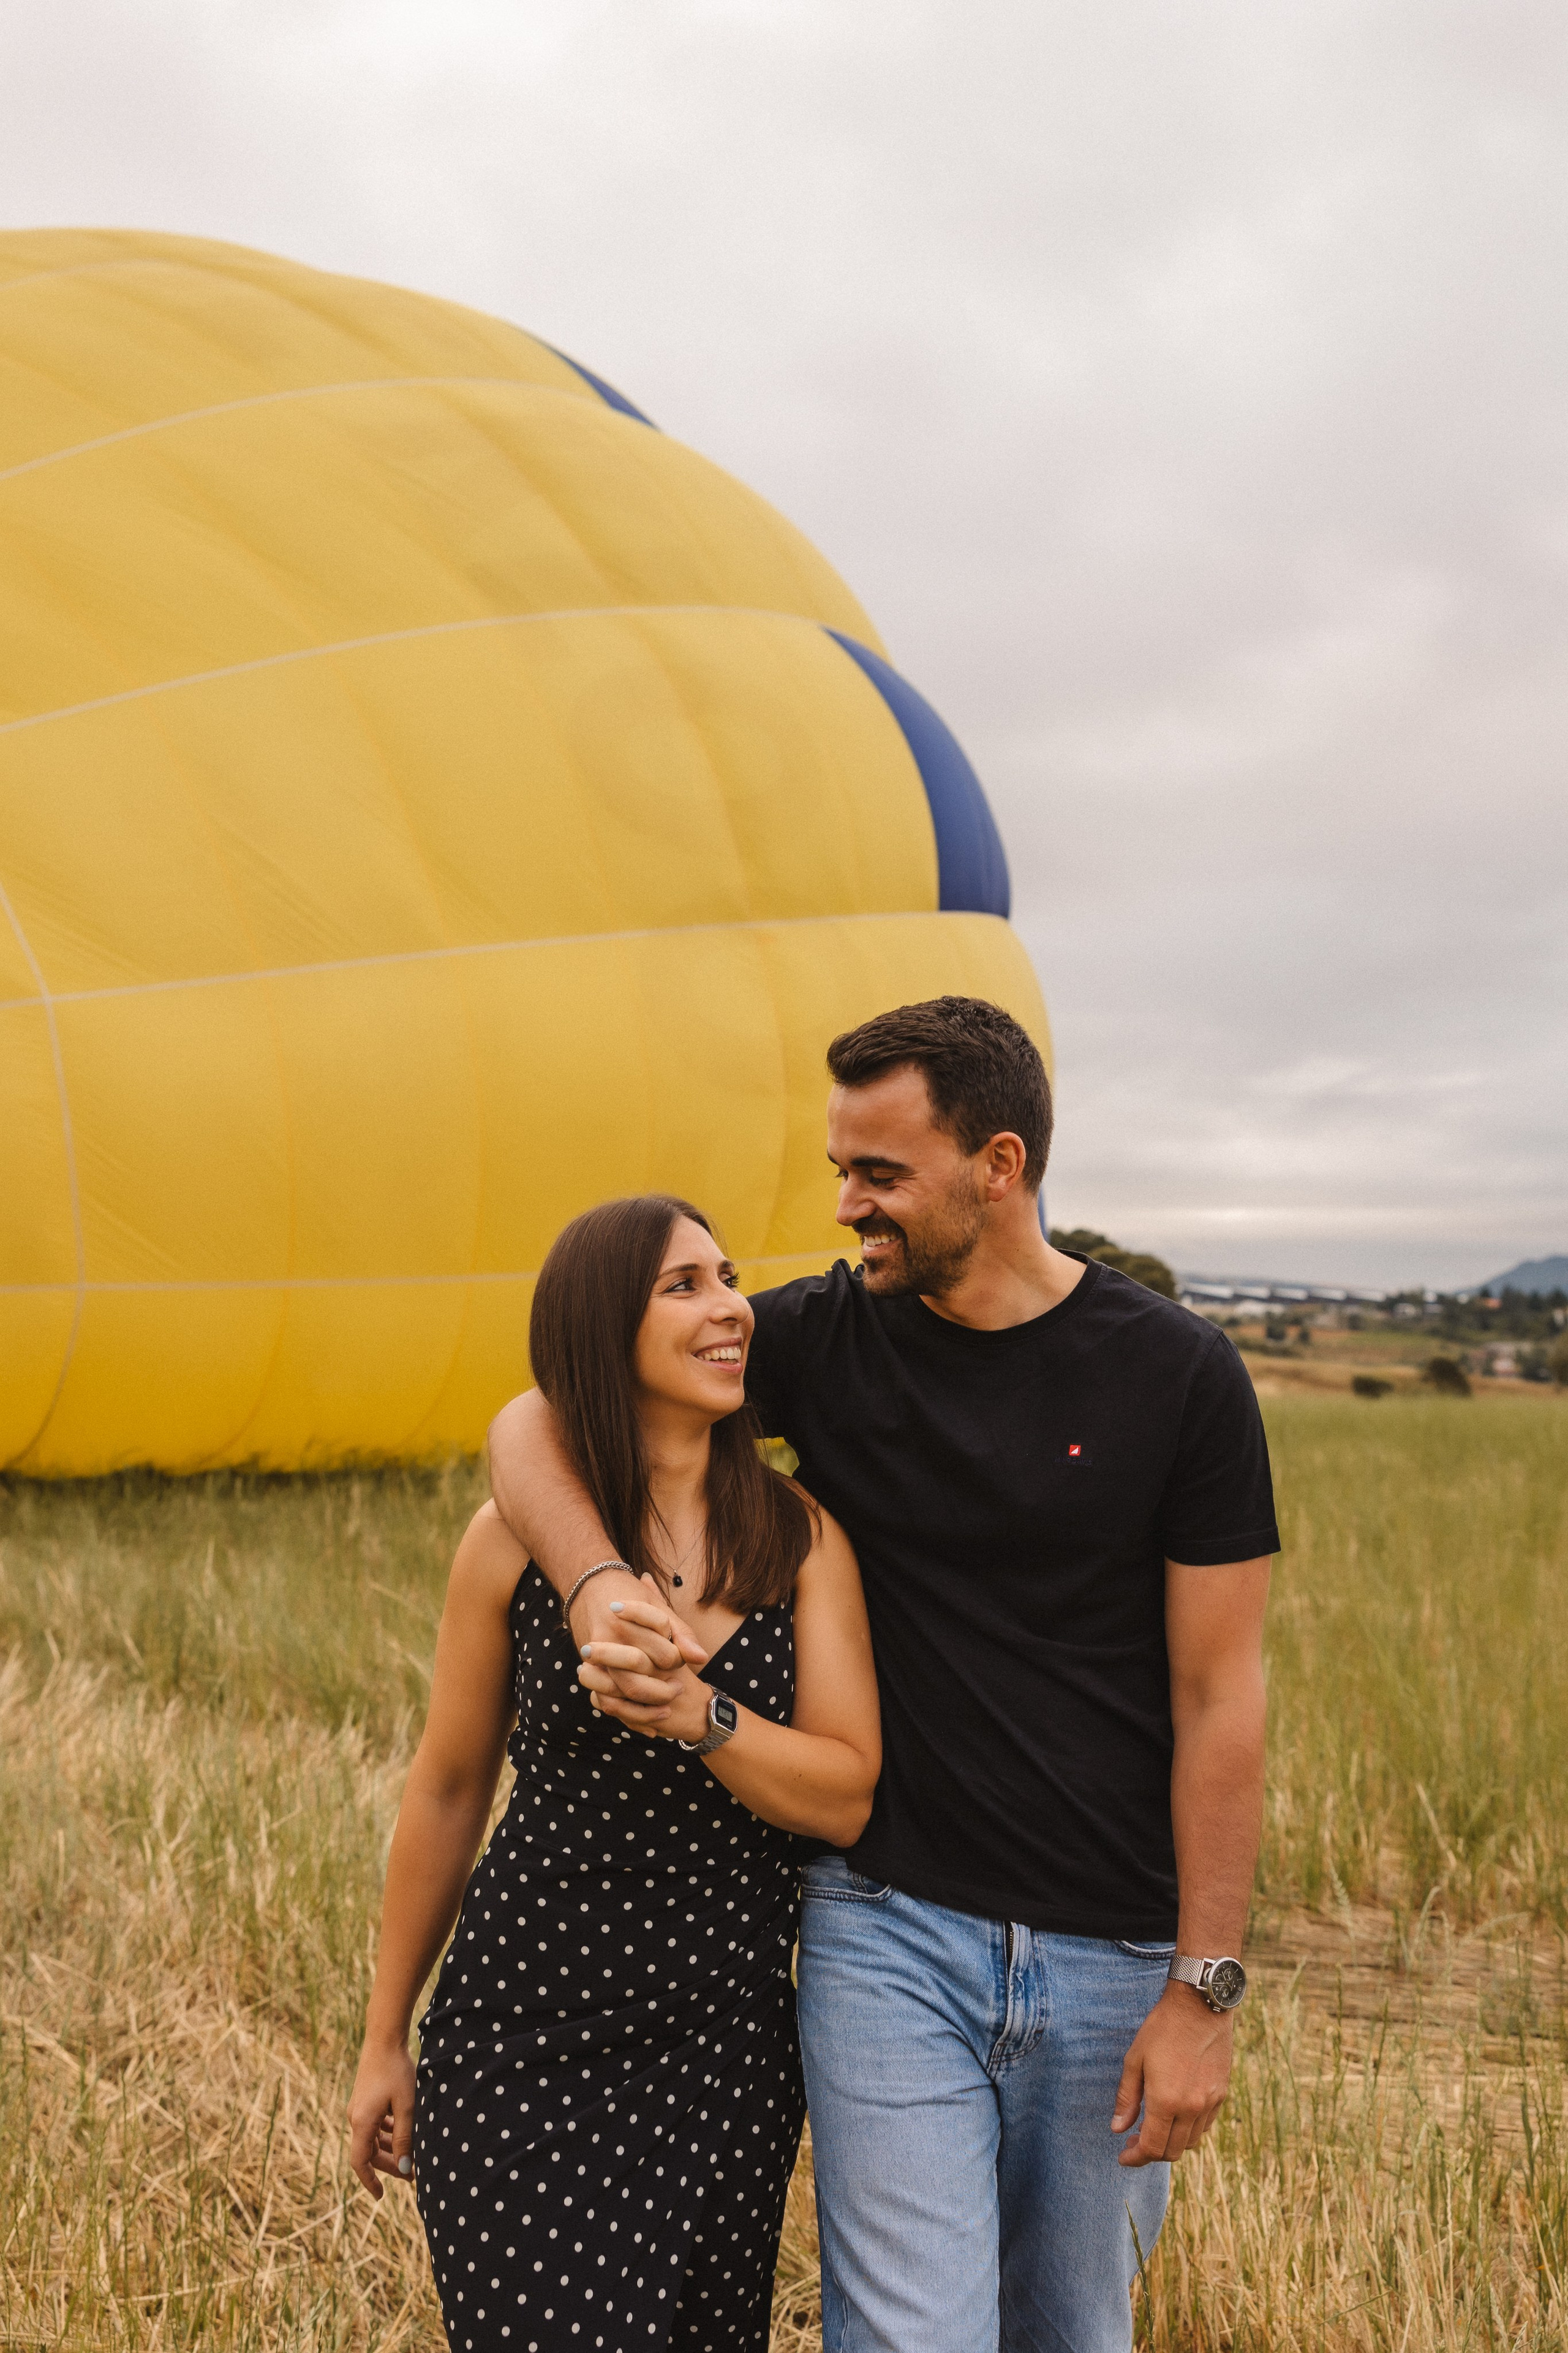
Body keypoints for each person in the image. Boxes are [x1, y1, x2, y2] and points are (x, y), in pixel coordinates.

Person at [488, 997, 1277, 2353]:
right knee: (908, 2335)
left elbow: (1221, 1699)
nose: (847, 1203)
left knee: (1068, 2332)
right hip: (882, 1926)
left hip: (1110, 1947)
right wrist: (597, 1580)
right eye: (842, 1166)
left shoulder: (1179, 1377)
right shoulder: (825, 1338)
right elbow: (537, 1412)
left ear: (999, 1164)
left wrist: (1199, 1993)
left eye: (880, 1174)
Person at [349, 1193, 880, 2353]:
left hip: (721, 2047)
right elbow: (447, 1788)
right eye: (681, 1285)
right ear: (603, 1328)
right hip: (519, 2032)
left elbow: (846, 1788)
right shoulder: (513, 1539)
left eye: (728, 1276)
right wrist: (386, 2032)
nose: (730, 1305)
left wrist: (702, 1714)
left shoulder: (800, 1540)